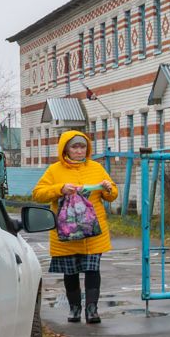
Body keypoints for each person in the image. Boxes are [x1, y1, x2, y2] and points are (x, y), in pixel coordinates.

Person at [32, 129, 119, 325]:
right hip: (66, 231)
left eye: (83, 147)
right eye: (75, 147)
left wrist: (108, 188)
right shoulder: (54, 170)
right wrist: (60, 189)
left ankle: (92, 309)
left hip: (92, 231)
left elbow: (112, 195)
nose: (79, 151)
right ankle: (74, 308)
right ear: (66, 149)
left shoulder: (96, 168)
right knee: (70, 271)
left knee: (92, 270)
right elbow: (38, 194)